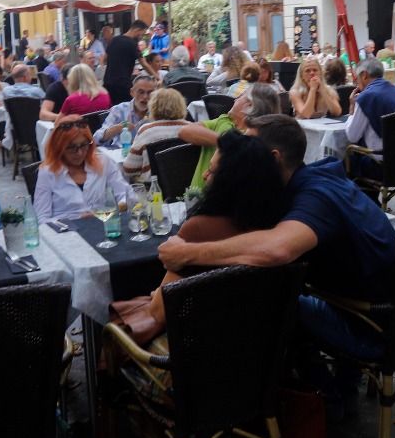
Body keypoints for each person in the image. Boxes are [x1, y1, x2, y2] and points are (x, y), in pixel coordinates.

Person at [158, 113, 395, 410]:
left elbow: (277, 250)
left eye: (249, 148)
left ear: (272, 157)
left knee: (271, 304)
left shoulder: (315, 197)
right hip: (391, 310)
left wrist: (188, 254)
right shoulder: (320, 177)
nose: (240, 155)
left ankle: (326, 398)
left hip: (375, 329)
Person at [112, 131, 285, 342]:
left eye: (211, 171)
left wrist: (158, 293)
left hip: (198, 347)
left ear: (228, 182)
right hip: (262, 342)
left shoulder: (200, 229)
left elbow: (159, 312)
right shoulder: (279, 226)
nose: (204, 175)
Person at [173, 82, 282, 189]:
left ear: (249, 106)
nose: (235, 99)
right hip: (196, 199)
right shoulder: (224, 120)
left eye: (240, 97)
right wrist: (227, 142)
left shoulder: (257, 143)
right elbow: (184, 131)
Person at [33, 120, 140, 222]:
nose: (79, 153)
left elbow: (125, 194)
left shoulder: (103, 161)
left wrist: (120, 206)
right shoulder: (47, 172)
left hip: (103, 226)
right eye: (72, 147)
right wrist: (75, 221)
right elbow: (42, 218)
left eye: (84, 145)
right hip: (67, 234)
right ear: (59, 148)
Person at [343, 58, 395, 180]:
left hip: (381, 168)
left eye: (357, 79)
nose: (357, 83)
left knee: (343, 160)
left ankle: (364, 198)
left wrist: (352, 109)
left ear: (364, 75)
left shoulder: (367, 97)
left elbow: (352, 136)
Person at [121, 87, 190, 179]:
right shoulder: (192, 129)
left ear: (153, 107)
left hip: (154, 187)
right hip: (188, 185)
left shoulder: (147, 131)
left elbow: (129, 169)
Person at [97, 75, 156, 145]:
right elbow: (97, 138)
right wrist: (117, 128)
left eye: (149, 93)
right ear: (132, 92)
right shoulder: (119, 110)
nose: (145, 97)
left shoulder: (157, 111)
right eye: (141, 92)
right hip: (121, 152)